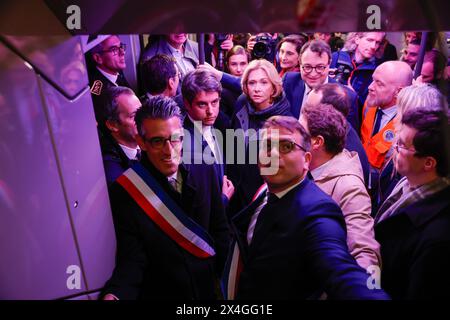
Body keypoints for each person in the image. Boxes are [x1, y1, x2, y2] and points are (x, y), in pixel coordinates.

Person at [224, 116, 389, 300]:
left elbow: (340, 269)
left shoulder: (317, 211)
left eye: (286, 146)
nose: (273, 153)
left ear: (306, 159)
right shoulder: (266, 191)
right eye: (267, 145)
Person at [102, 96, 230, 300]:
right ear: (141, 142)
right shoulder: (127, 190)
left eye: (175, 138)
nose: (169, 151)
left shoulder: (204, 168)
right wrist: (115, 294)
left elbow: (220, 229)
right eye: (157, 141)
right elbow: (133, 259)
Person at [374, 108, 450, 299]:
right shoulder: (405, 183)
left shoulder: (438, 236)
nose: (394, 147)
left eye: (401, 145)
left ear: (428, 163)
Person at [300, 103, 380, 270]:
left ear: (317, 142)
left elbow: (364, 250)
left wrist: (363, 291)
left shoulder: (350, 188)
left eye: (301, 132)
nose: (295, 137)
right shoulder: (307, 165)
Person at [228, 59, 292, 215]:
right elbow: (230, 143)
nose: (257, 89)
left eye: (264, 83)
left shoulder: (285, 120)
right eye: (252, 83)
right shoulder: (241, 102)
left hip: (264, 198)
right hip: (235, 191)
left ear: (274, 87)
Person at [180, 69, 235, 202]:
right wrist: (223, 200)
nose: (210, 111)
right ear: (187, 104)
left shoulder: (220, 126)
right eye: (202, 104)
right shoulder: (181, 143)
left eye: (215, 102)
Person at [361, 61, 413, 198]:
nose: (370, 87)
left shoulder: (407, 126)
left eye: (379, 84)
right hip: (360, 181)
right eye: (373, 80)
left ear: (399, 92)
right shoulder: (369, 104)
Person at [283, 40, 360, 131]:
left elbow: (348, 139)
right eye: (307, 67)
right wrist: (274, 145)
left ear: (329, 63)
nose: (313, 73)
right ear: (299, 63)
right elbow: (278, 119)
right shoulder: (289, 81)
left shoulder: (347, 96)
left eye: (320, 67)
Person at [306, 83, 370, 185]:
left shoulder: (347, 150)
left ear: (329, 113)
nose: (305, 115)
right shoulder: (335, 132)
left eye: (310, 110)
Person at [330, 32, 385, 121]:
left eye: (378, 42)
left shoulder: (377, 70)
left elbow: (372, 107)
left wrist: (354, 97)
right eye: (370, 40)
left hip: (351, 120)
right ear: (357, 39)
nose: (374, 46)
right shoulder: (336, 58)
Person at [99, 86, 142, 186]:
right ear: (113, 125)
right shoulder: (113, 173)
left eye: (142, 111)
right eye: (134, 116)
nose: (143, 119)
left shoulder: (150, 141)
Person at [87, 35, 130, 122]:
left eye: (121, 46)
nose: (122, 52)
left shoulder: (117, 71)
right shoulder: (99, 93)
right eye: (114, 50)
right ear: (98, 58)